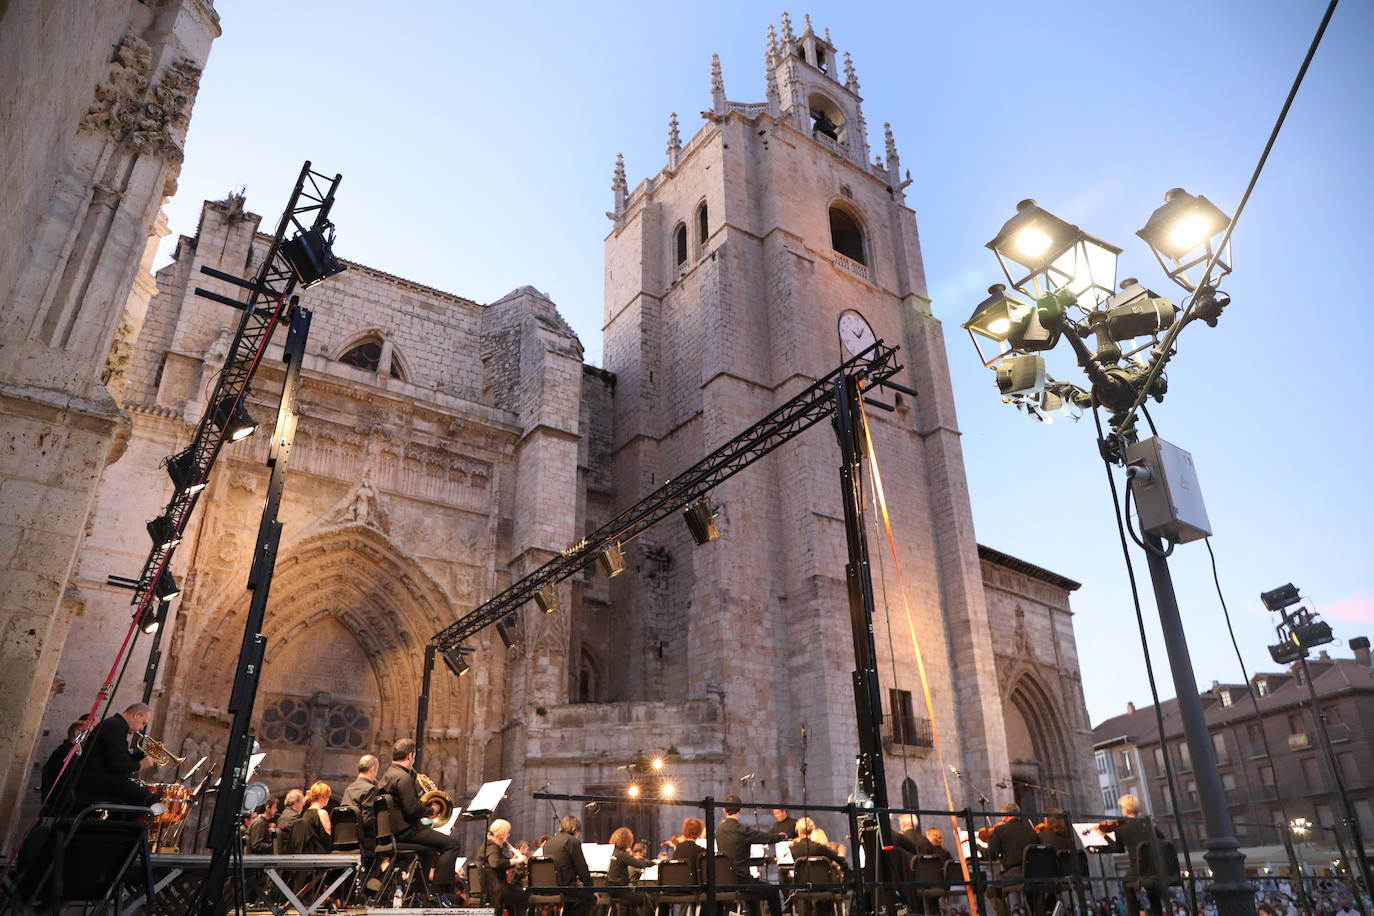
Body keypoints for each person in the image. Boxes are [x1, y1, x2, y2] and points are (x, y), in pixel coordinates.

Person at [379, 738, 463, 903]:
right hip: (406, 832)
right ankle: (438, 894)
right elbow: (411, 811)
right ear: (410, 756)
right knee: (452, 844)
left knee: (429, 851)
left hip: (392, 831)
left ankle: (416, 895)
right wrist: (433, 809)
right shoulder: (403, 778)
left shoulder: (388, 775)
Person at [74, 703, 161, 810]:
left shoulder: (116, 725)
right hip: (95, 780)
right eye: (143, 723)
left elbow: (123, 758)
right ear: (137, 715)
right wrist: (140, 765)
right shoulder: (115, 726)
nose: (141, 728)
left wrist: (146, 754)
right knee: (144, 797)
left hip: (100, 778)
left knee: (143, 795)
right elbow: (120, 765)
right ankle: (122, 826)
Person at [717, 794, 785, 916]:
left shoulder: (719, 830)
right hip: (742, 882)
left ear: (724, 810)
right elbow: (766, 838)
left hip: (724, 882)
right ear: (740, 809)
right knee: (773, 891)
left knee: (754, 895)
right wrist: (781, 836)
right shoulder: (742, 830)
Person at [1101, 796, 1168, 916]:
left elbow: (1118, 848)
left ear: (1126, 809)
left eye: (1122, 808)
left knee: (1126, 883)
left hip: (1136, 868)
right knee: (1151, 888)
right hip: (1153, 868)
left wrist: (1104, 835)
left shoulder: (1122, 828)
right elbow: (1162, 838)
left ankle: (1134, 912)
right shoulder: (1147, 824)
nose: (1121, 810)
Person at [984, 802, 1045, 916]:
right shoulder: (1031, 832)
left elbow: (991, 855)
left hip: (1015, 874)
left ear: (1005, 816)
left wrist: (978, 847)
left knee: (992, 891)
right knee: (1034, 891)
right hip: (1034, 873)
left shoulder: (1000, 830)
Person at [544, 815, 601, 916]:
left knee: (575, 900)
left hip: (548, 888)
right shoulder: (572, 842)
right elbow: (582, 869)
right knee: (590, 898)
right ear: (575, 830)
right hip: (566, 888)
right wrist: (592, 889)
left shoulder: (548, 843)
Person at [481, 818, 530, 916]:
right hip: (496, 888)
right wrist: (516, 860)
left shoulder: (489, 846)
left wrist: (513, 860)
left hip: (493, 887)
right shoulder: (492, 846)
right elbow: (495, 863)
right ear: (502, 834)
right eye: (507, 833)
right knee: (524, 896)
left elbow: (500, 864)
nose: (508, 836)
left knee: (513, 899)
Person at [40, 719, 86, 811]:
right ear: (78, 733)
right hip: (62, 808)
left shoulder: (67, 752)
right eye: (89, 733)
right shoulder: (67, 753)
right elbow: (65, 784)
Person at [341, 754, 381, 853]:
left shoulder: (349, 788)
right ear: (372, 770)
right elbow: (367, 821)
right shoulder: (370, 789)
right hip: (363, 842)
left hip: (343, 839)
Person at [295, 781, 333, 854]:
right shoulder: (322, 813)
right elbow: (329, 839)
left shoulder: (306, 814)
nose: (328, 799)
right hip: (322, 855)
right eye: (328, 796)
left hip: (310, 855)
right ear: (323, 797)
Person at [672, 817, 707, 881]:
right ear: (700, 832)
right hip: (694, 889)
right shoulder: (701, 852)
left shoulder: (678, 847)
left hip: (677, 888)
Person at [276, 789, 305, 853]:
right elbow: (299, 842)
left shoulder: (283, 815)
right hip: (291, 856)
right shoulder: (295, 817)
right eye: (302, 801)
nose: (303, 804)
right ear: (295, 802)